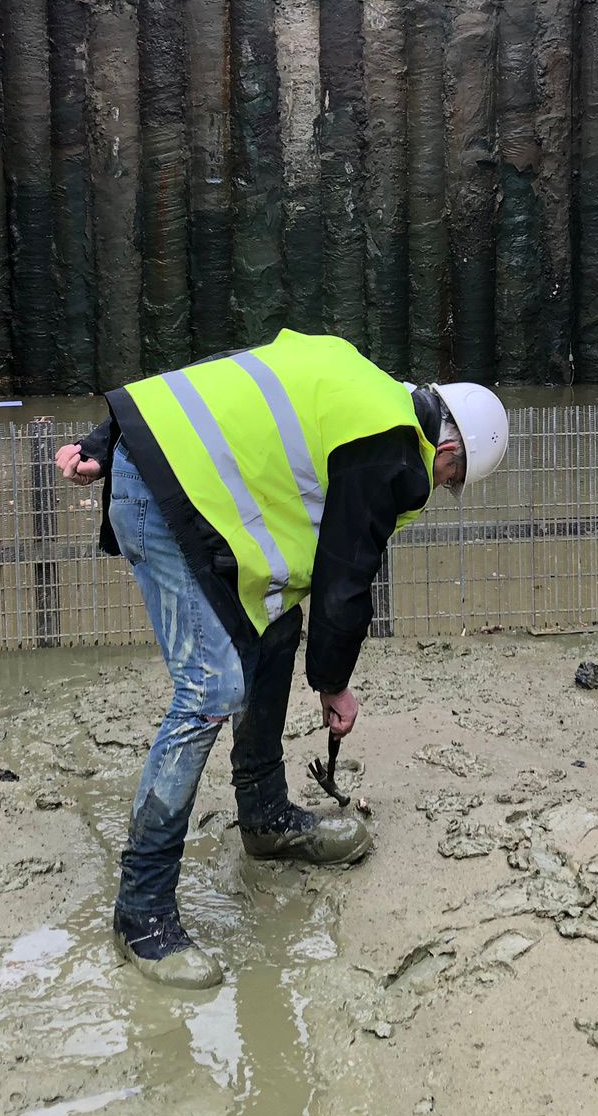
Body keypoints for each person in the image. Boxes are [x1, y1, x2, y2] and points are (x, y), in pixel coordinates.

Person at [56, 329, 509, 988]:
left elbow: (213, 375)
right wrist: (334, 685)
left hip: (165, 477)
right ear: (447, 447)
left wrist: (108, 436)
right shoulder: (389, 451)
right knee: (210, 686)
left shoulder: (355, 381)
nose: (440, 488)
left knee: (272, 628)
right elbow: (345, 577)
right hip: (162, 500)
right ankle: (143, 912)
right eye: (451, 478)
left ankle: (265, 818)